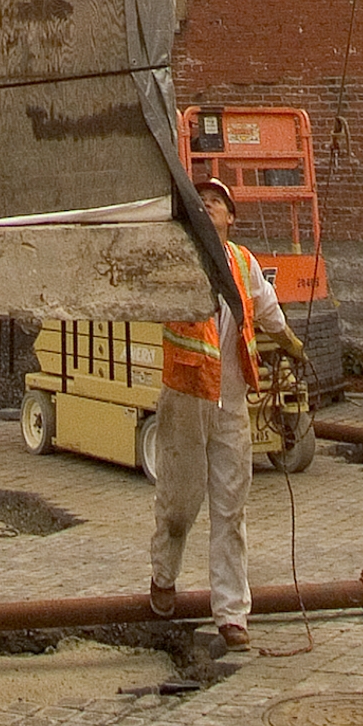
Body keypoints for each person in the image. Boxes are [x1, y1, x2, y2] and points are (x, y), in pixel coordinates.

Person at [147, 173, 301, 649]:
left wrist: (291, 342)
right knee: (179, 503)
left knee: (231, 511)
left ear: (232, 216)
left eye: (218, 201)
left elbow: (267, 310)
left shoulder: (243, 262)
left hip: (232, 403)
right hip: (187, 396)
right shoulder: (179, 257)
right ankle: (163, 577)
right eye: (203, 200)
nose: (210, 205)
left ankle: (232, 614)